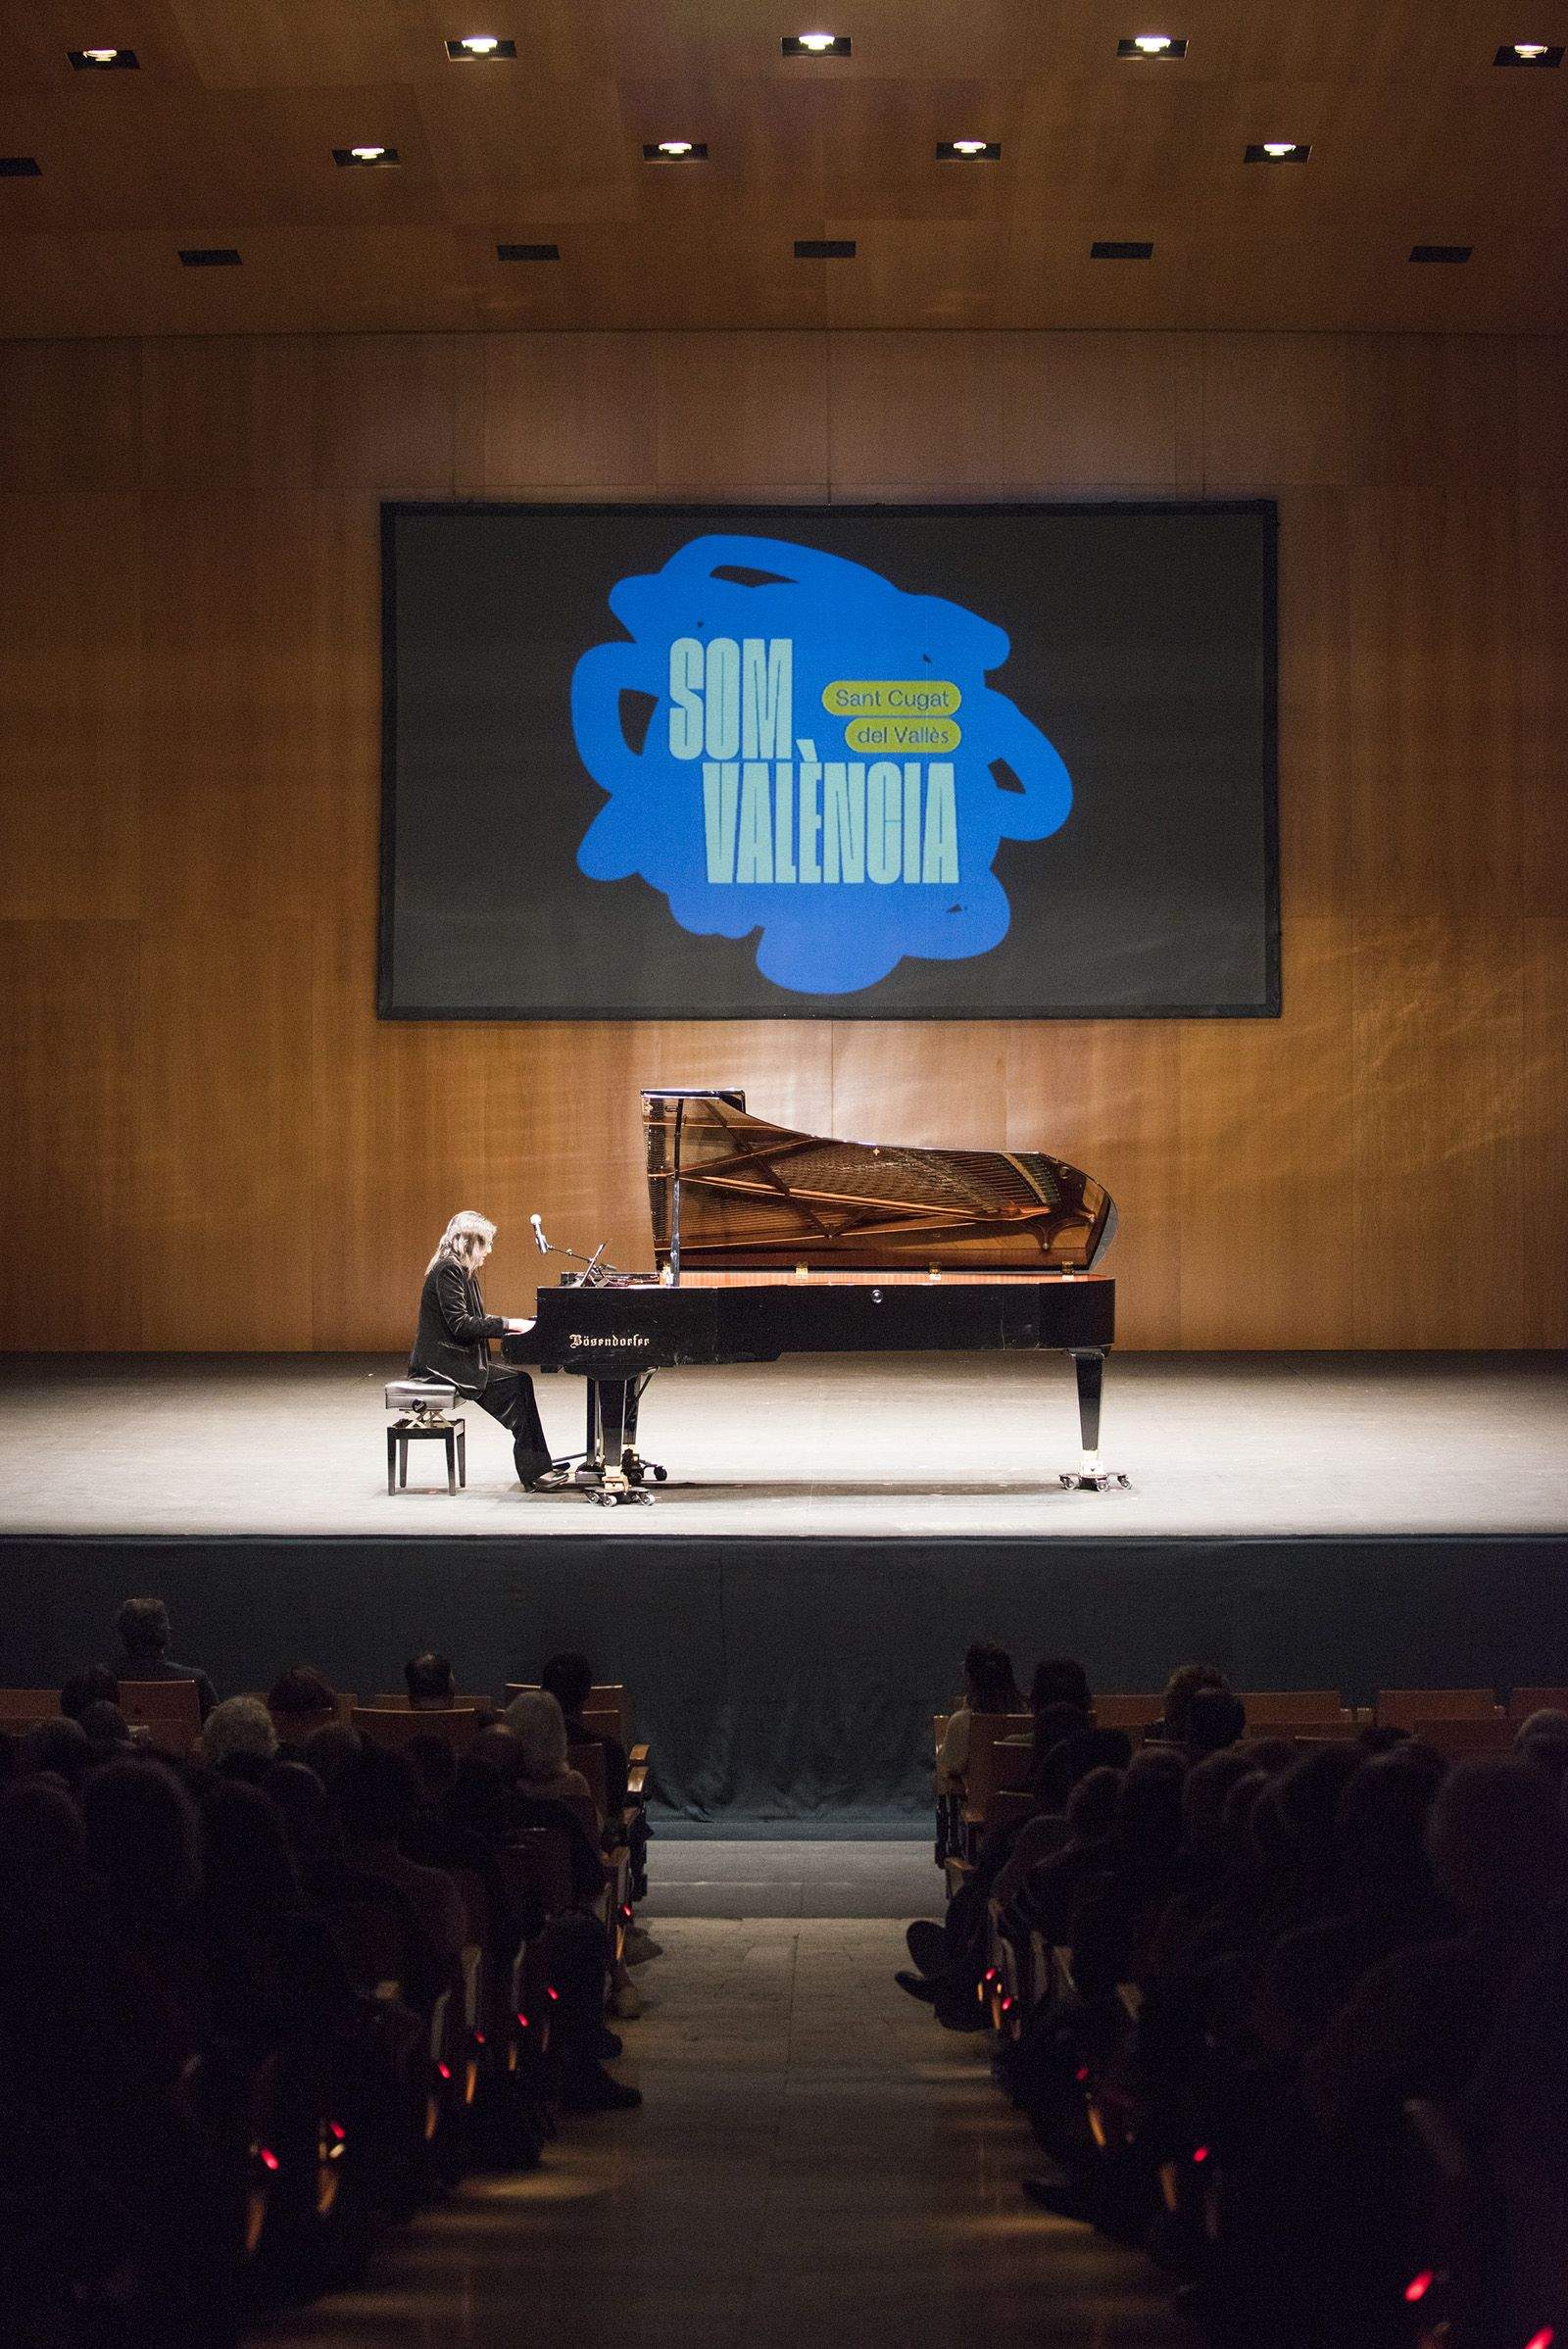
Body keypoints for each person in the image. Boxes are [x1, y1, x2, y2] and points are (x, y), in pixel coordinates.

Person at [409, 1210, 563, 1492]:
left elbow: (473, 1318)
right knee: (517, 1385)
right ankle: (536, 1471)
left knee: (520, 1383)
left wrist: (511, 1324)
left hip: (452, 1359)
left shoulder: (459, 1269)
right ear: (469, 1242)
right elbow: (461, 1325)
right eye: (486, 1244)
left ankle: (538, 1467)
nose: (489, 1251)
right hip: (440, 1364)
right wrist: (508, 1324)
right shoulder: (449, 1269)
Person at [113, 1594, 219, 1719]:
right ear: (166, 1633)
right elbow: (218, 1725)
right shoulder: (196, 1680)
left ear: (122, 1635)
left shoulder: (103, 1679)